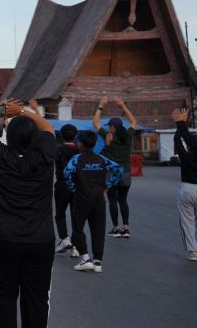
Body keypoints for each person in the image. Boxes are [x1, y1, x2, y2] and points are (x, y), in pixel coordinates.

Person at [0, 99, 57, 328]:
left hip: (4, 237)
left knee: (3, 296)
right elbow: (48, 128)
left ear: (8, 137)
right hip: (40, 239)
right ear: (36, 139)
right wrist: (22, 111)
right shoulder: (45, 156)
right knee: (37, 298)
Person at [63, 131, 122, 273]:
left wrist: (72, 187)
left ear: (80, 144)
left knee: (77, 228)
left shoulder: (76, 159)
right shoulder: (102, 159)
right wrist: (107, 185)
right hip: (99, 198)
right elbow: (118, 169)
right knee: (98, 230)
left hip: (82, 198)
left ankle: (85, 258)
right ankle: (97, 262)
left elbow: (67, 173)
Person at [93, 96, 137, 238]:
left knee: (112, 200)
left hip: (112, 173)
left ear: (112, 127)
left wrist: (101, 105)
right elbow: (134, 121)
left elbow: (95, 122)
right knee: (123, 200)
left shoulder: (108, 136)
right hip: (126, 173)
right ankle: (126, 228)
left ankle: (116, 229)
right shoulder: (128, 136)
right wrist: (122, 105)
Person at [173, 108, 197, 261]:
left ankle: (193, 251)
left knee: (187, 221)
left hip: (187, 187)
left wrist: (180, 123)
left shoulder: (185, 154)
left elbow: (178, 140)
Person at [54, 122, 80, 257]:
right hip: (77, 187)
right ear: (75, 136)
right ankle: (76, 246)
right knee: (76, 216)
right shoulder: (79, 151)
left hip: (61, 185)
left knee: (60, 214)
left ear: (61, 136)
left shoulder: (58, 150)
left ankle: (64, 239)